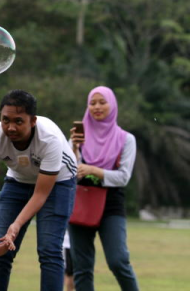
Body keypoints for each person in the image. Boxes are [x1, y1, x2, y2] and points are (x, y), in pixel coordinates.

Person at [0, 90, 77, 291]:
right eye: (5, 120)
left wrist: (16, 225)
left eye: (18, 121)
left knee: (49, 251)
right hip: (17, 180)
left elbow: (41, 194)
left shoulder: (49, 139)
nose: (10, 127)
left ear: (32, 121)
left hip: (59, 182)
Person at [68, 86, 139, 291]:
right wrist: (74, 148)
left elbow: (123, 177)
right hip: (80, 201)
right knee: (82, 267)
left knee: (118, 260)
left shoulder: (126, 139)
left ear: (112, 105)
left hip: (111, 204)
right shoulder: (77, 137)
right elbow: (68, 170)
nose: (97, 107)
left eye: (102, 102)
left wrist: (93, 170)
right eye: (92, 103)